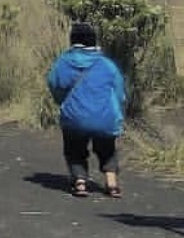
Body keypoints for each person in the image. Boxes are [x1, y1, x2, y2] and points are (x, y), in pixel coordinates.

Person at [46, 22, 126, 198]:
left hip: (75, 117)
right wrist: (114, 111)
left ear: (72, 41)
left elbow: (54, 84)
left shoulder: (64, 62)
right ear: (93, 41)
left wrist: (63, 102)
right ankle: (112, 183)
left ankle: (80, 181)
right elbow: (119, 93)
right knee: (107, 149)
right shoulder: (107, 64)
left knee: (74, 148)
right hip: (105, 117)